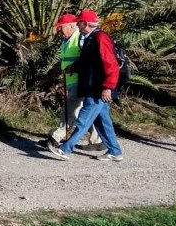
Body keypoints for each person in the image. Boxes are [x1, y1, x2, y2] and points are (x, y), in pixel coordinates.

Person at [48, 9, 123, 161]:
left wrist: (108, 87)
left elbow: (112, 65)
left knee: (84, 119)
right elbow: (89, 63)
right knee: (103, 122)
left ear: (86, 24)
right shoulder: (91, 38)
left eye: (79, 23)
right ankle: (115, 151)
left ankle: (65, 149)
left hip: (98, 89)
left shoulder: (100, 38)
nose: (77, 25)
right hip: (93, 87)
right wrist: (74, 67)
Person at [49, 13, 100, 148]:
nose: (59, 30)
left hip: (79, 80)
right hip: (72, 80)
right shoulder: (67, 39)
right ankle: (97, 139)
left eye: (61, 27)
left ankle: (56, 136)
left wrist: (75, 68)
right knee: (84, 111)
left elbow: (86, 58)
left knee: (71, 108)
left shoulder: (80, 38)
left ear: (70, 26)